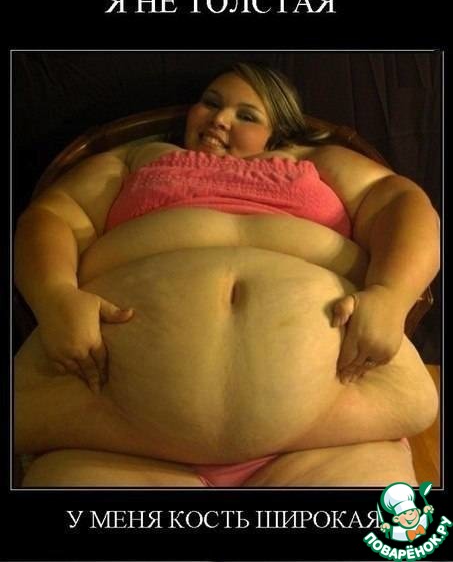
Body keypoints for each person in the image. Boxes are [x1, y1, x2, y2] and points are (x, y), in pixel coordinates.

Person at [14, 62, 440, 487]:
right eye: (210, 103)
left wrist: (391, 292)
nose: (219, 119)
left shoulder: (319, 162)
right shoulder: (137, 158)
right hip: (113, 438)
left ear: (278, 131)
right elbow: (54, 215)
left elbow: (399, 203)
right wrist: (55, 295)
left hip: (328, 440)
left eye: (246, 115)